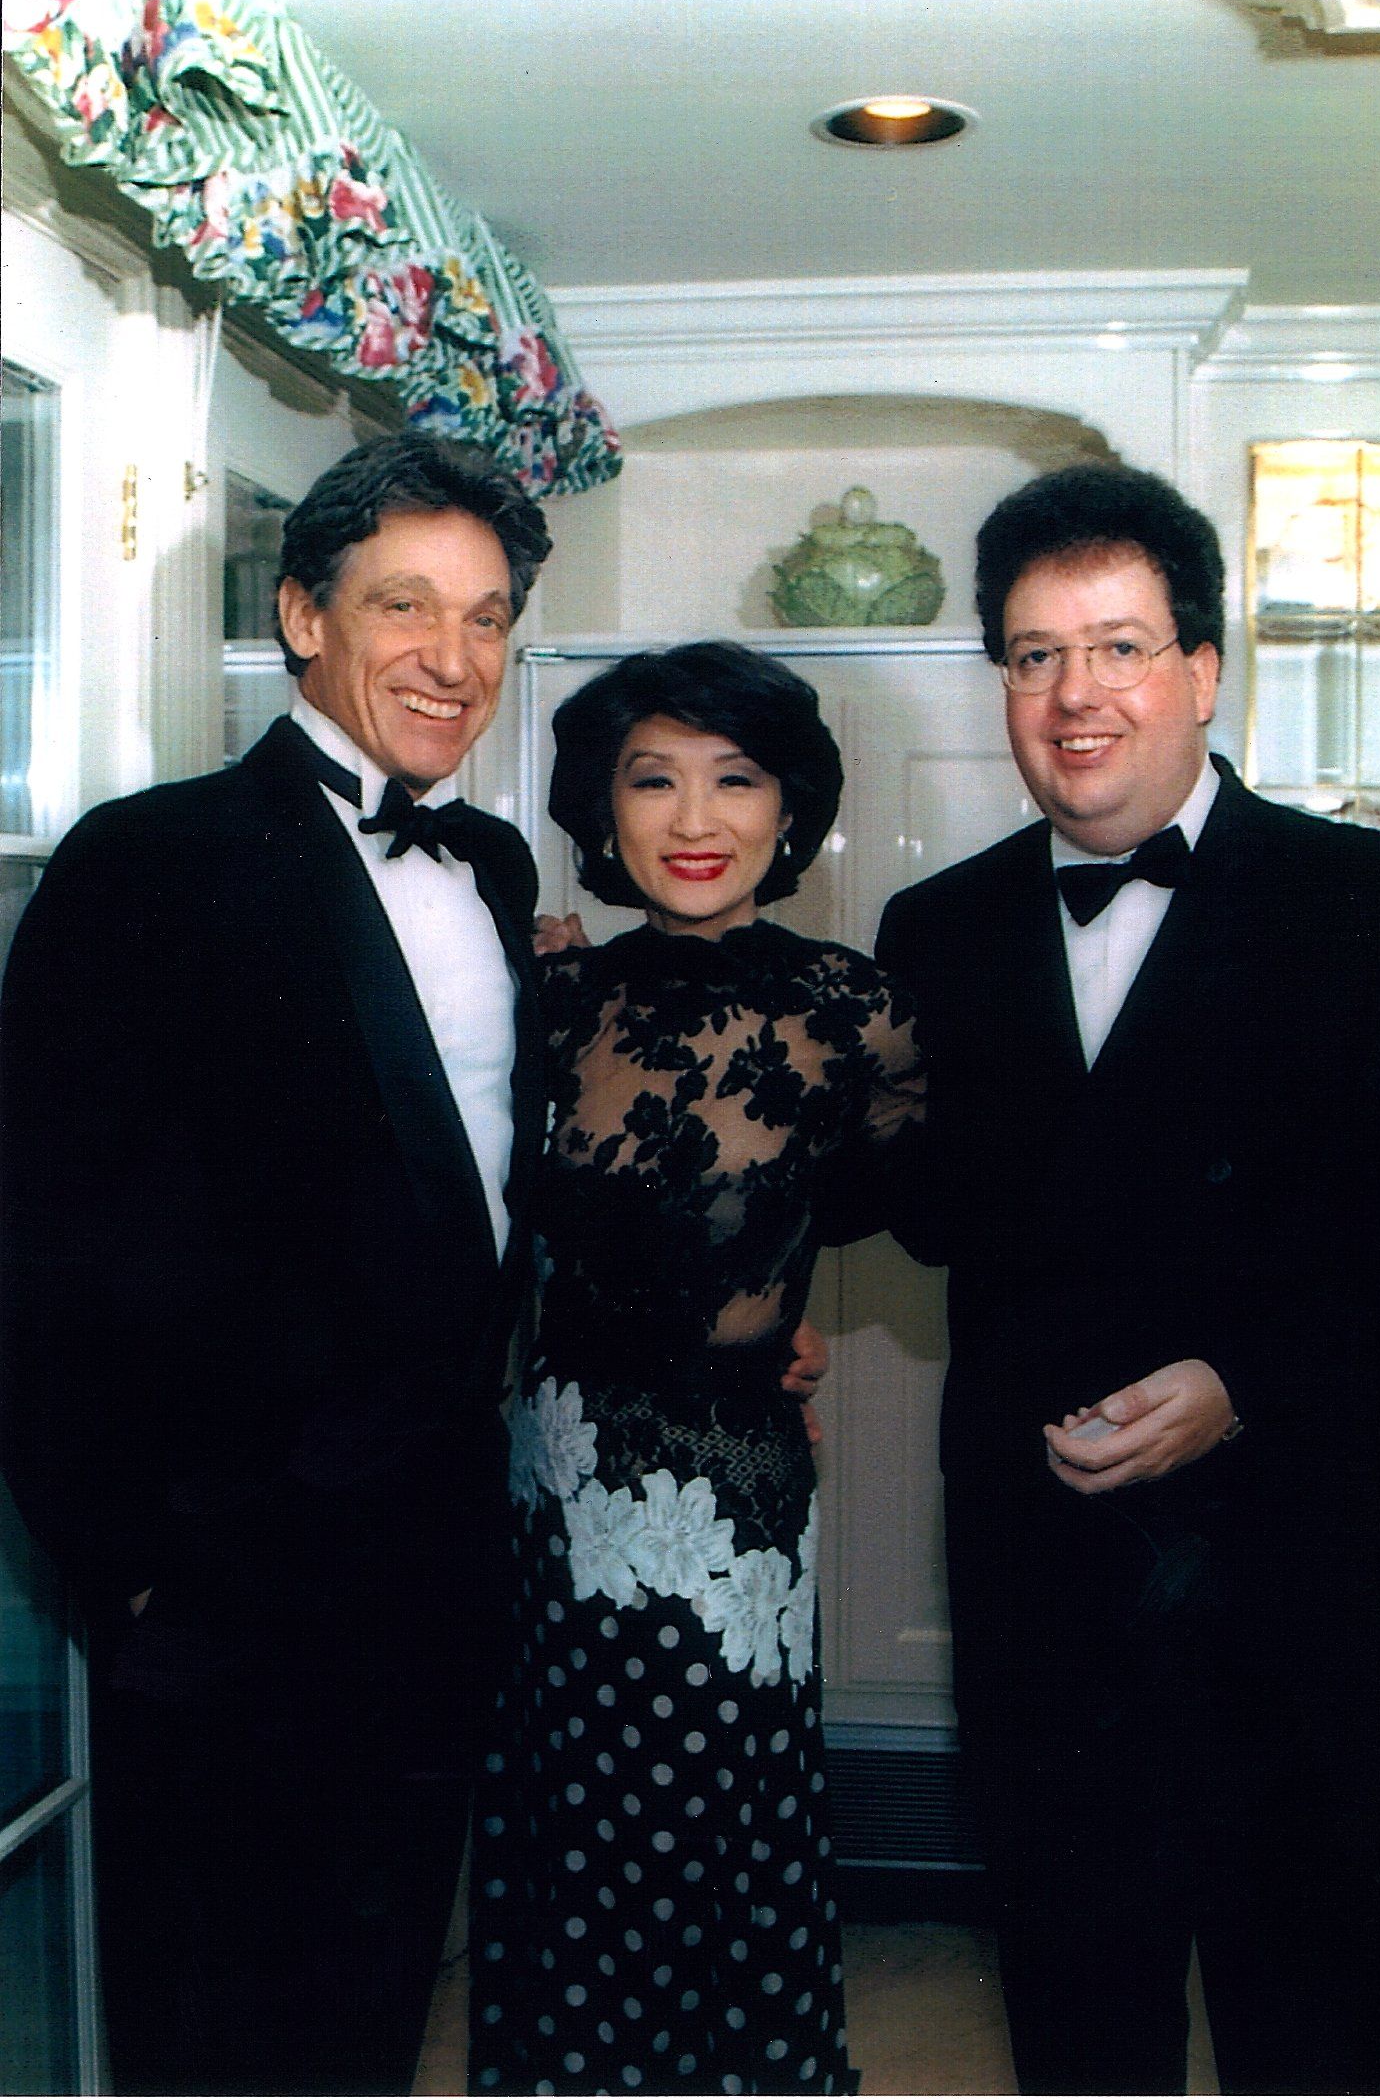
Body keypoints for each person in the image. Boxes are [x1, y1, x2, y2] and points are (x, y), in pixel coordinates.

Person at [876, 461, 1380, 2097]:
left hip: (1306, 1602)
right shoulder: (936, 930)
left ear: (1203, 671)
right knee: (1083, 2048)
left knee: (1321, 2056)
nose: (1074, 695)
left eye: (1117, 647)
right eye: (1032, 655)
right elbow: (910, 1204)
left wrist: (1240, 1385)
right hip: (1051, 1607)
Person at [0, 433, 555, 2096]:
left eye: (486, 616)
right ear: (305, 616)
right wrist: (135, 1573)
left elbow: (475, 1193)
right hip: (227, 1585)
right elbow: (34, 1241)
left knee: (368, 2011)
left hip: (436, 1558)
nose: (452, 657)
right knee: (215, 2035)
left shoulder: (498, 863)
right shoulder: (147, 860)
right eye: (405, 605)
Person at [470, 642, 923, 2096]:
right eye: (651, 779)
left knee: (708, 1817)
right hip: (555, 1477)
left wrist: (774, 1316)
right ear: (602, 811)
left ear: (791, 811)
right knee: (575, 1824)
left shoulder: (855, 1011)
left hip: (729, 1495)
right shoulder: (547, 996)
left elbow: (909, 1209)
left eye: (735, 779)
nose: (693, 817)